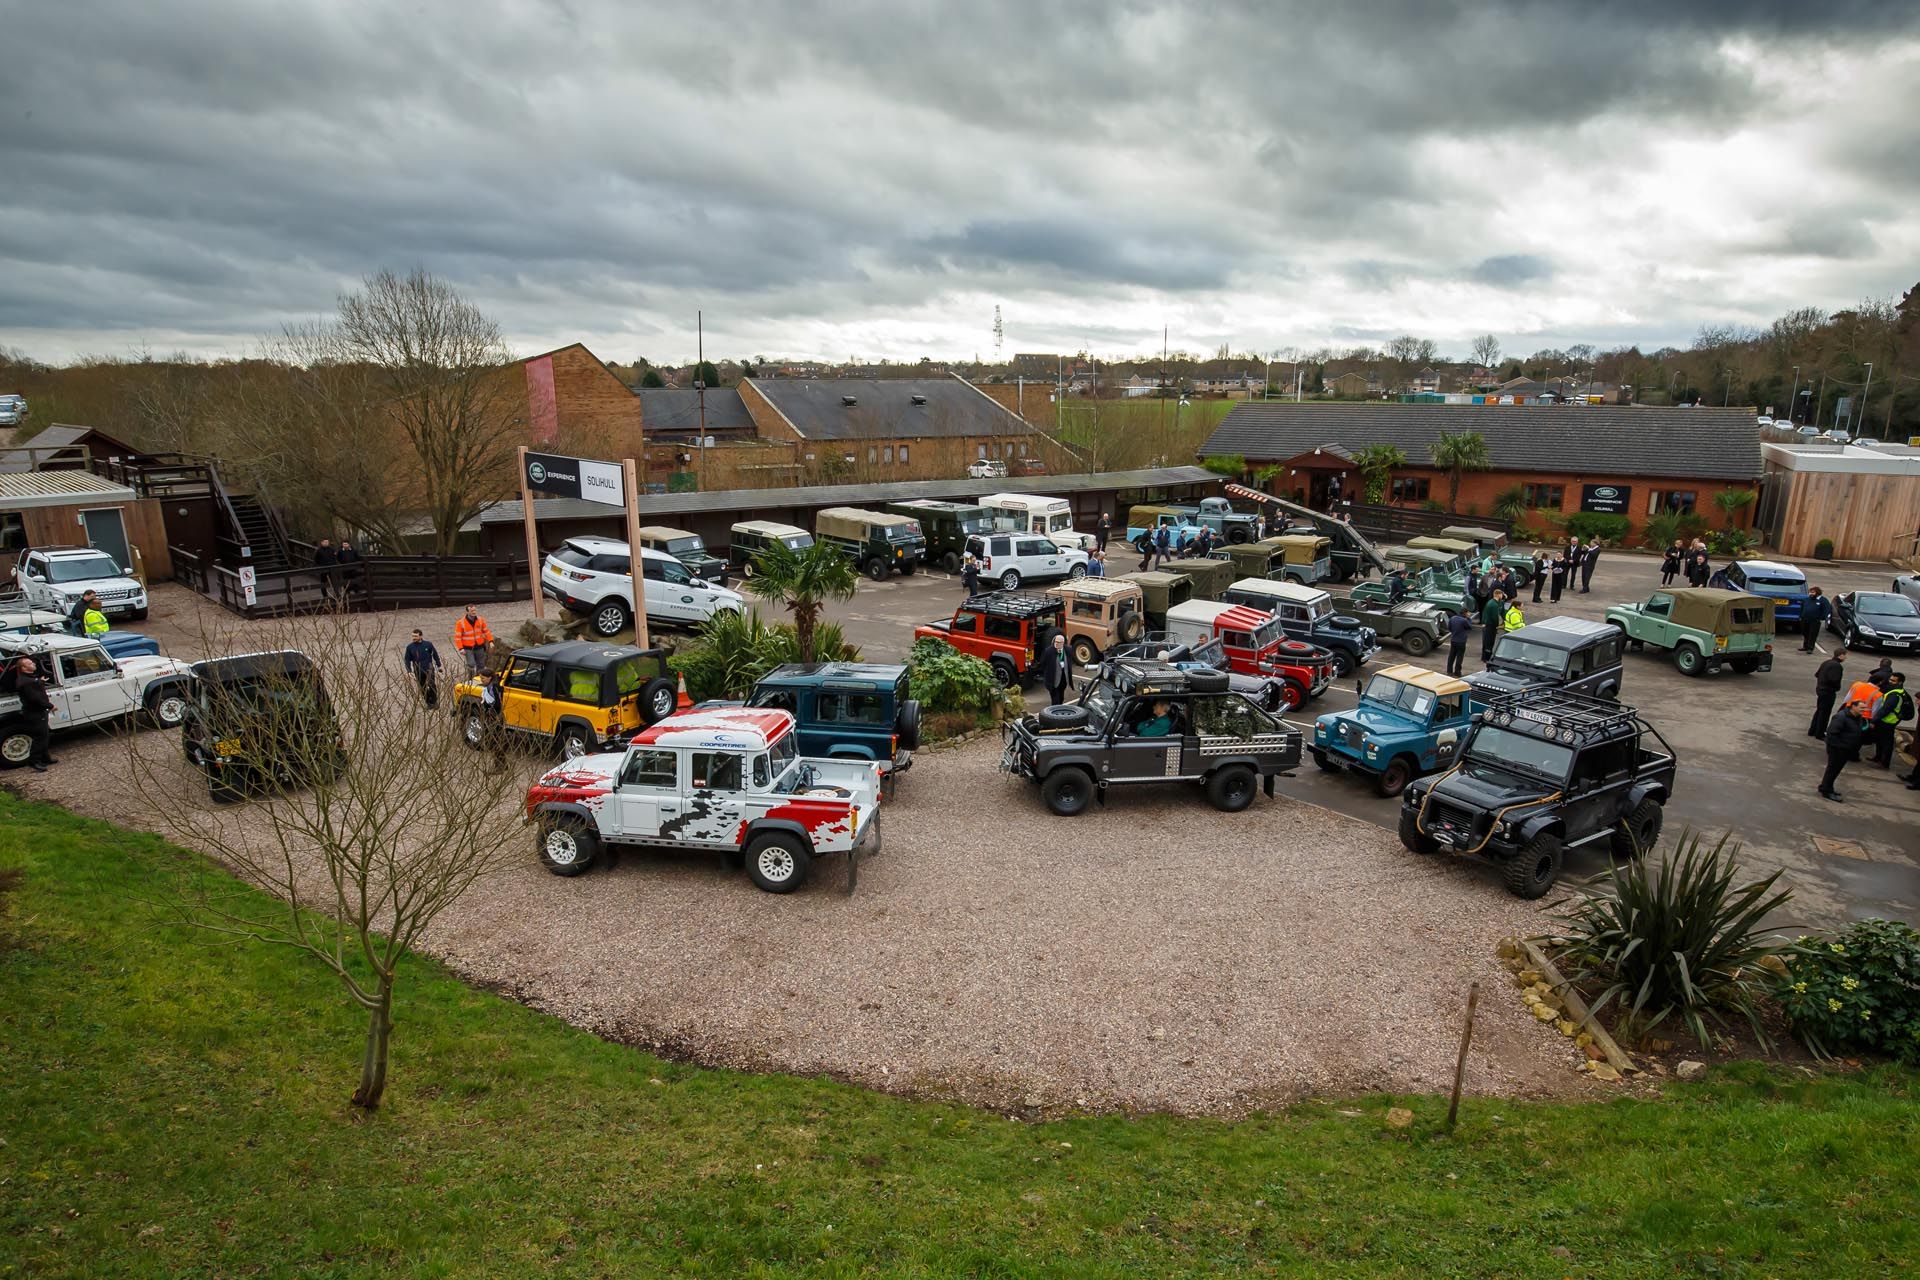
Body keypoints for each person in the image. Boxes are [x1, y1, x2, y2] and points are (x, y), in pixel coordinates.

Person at [3, 656, 55, 773]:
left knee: (45, 734)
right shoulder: (26, 682)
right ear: (24, 668)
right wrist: (50, 706)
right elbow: (35, 698)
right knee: (39, 737)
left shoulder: (28, 679)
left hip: (37, 712)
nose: (34, 664)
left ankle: (45, 758)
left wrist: (40, 682)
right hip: (35, 713)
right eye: (30, 663)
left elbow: (35, 686)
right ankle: (34, 761)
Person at [1818, 699, 1871, 802]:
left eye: (1864, 708)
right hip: (1838, 749)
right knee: (1832, 770)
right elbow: (1831, 734)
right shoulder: (1841, 717)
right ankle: (1826, 790)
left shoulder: (1857, 717)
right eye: (1861, 708)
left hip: (1846, 749)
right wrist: (1838, 747)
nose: (1863, 710)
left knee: (1835, 770)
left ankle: (1826, 786)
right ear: (1853, 707)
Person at [1868, 673, 1911, 769]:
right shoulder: (1897, 691)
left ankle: (1884, 763)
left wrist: (1874, 720)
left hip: (1888, 721)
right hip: (1887, 720)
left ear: (1900, 682)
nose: (1890, 682)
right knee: (1879, 740)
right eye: (1890, 680)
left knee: (1886, 743)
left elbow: (1885, 709)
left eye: (1893, 681)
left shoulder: (1895, 695)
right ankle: (1878, 757)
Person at [1809, 647, 1847, 739]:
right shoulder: (1837, 666)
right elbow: (1834, 680)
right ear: (1841, 655)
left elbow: (1817, 674)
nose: (1846, 658)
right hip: (1828, 692)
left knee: (1819, 710)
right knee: (1825, 713)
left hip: (1820, 690)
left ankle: (1812, 730)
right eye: (1845, 655)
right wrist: (1837, 687)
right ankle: (1820, 733)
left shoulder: (1826, 663)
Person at [476, 669, 508, 773]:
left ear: (489, 678)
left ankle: (499, 767)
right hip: (492, 717)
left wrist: (491, 712)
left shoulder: (494, 688)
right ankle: (503, 764)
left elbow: (497, 704)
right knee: (496, 741)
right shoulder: (489, 687)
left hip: (495, 718)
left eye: (483, 678)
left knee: (495, 742)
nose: (482, 680)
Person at [403, 627, 443, 709]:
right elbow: (407, 660)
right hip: (418, 670)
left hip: (429, 668)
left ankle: (435, 702)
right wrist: (409, 671)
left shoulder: (428, 644)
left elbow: (435, 655)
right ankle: (428, 703)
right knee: (422, 687)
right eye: (413, 636)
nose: (414, 638)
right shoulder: (410, 647)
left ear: (421, 636)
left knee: (432, 685)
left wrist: (439, 666)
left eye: (416, 636)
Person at [453, 605, 495, 675]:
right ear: (467, 612)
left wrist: (491, 641)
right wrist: (461, 648)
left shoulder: (480, 620)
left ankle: (479, 678)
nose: (474, 612)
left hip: (479, 646)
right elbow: (458, 637)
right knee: (471, 664)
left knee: (481, 664)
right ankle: (471, 680)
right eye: (472, 611)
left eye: (475, 610)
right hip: (468, 648)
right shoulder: (460, 623)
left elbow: (486, 631)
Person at [1037, 631, 1074, 707]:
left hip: (1063, 679)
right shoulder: (1048, 651)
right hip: (1053, 681)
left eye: (1059, 642)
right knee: (1055, 700)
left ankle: (1059, 710)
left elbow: (1070, 661)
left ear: (1063, 643)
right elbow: (1043, 663)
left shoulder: (1068, 650)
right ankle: (1055, 714)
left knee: (1061, 698)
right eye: (1055, 642)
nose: (1056, 643)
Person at [1800, 587, 1831, 653]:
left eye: (1813, 592)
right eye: (1810, 592)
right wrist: (1801, 616)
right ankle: (1805, 646)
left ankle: (1810, 648)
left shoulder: (1823, 600)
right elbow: (1802, 607)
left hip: (1815, 621)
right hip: (1805, 619)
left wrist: (1822, 618)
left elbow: (1827, 610)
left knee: (1812, 634)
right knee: (1805, 633)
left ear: (1817, 593)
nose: (1811, 594)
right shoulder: (1807, 599)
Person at [1445, 607, 1472, 677]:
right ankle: (1457, 672)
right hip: (1461, 641)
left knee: (1451, 656)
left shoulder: (1452, 618)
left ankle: (1449, 671)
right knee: (1459, 657)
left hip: (1453, 640)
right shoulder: (1464, 620)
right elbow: (1469, 627)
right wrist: (1469, 618)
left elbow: (1449, 628)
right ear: (1465, 613)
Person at [1481, 590, 1506, 665]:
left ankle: (1485, 656)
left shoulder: (1500, 603)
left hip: (1492, 626)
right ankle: (1486, 658)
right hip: (1490, 625)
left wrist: (1504, 620)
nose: (1502, 595)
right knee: (1488, 642)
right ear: (1498, 595)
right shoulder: (1492, 604)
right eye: (1502, 594)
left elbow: (1502, 612)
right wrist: (1498, 626)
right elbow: (1494, 617)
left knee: (1490, 641)